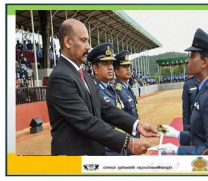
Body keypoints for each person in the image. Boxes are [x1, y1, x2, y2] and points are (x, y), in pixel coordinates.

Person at [46, 19, 159, 156]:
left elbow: (104, 107)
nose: (88, 46)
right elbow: (86, 121)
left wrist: (136, 124)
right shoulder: (61, 78)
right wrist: (128, 143)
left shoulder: (84, 75)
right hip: (74, 160)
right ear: (68, 42)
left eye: (88, 41)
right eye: (83, 40)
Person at [149, 28, 208, 155]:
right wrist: (177, 134)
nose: (188, 60)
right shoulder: (203, 89)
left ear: (204, 62)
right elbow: (200, 137)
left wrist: (177, 149)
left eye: (192, 56)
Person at [88, 42, 126, 156]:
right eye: (105, 64)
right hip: (107, 151)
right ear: (95, 68)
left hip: (119, 146)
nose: (110, 67)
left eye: (111, 63)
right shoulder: (93, 91)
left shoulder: (110, 88)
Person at [113, 50, 141, 140]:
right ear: (117, 72)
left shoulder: (127, 88)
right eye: (124, 67)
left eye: (129, 66)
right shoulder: (117, 91)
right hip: (127, 139)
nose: (128, 69)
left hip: (135, 134)